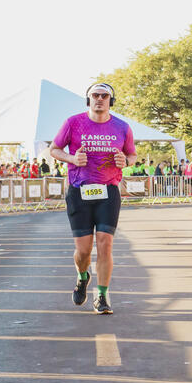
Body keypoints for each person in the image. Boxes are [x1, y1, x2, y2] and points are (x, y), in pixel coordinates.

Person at [50, 82, 137, 314]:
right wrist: (71, 159)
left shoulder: (122, 127)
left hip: (108, 191)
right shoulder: (73, 122)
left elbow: (132, 154)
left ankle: (102, 296)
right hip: (80, 191)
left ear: (111, 100)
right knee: (84, 251)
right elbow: (54, 149)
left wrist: (126, 162)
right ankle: (82, 276)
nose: (99, 99)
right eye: (95, 95)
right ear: (88, 100)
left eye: (104, 95)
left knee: (105, 244)